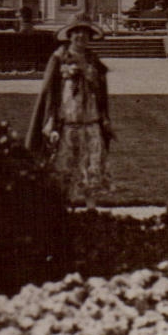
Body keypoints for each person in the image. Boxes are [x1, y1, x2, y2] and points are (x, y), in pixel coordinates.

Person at [27, 14, 113, 207]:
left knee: (92, 168)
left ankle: (91, 209)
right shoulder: (59, 58)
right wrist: (49, 119)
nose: (81, 36)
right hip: (67, 123)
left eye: (85, 33)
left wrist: (105, 118)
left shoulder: (93, 60)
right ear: (70, 35)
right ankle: (62, 209)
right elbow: (49, 91)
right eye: (77, 32)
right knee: (64, 169)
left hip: (91, 122)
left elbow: (102, 93)